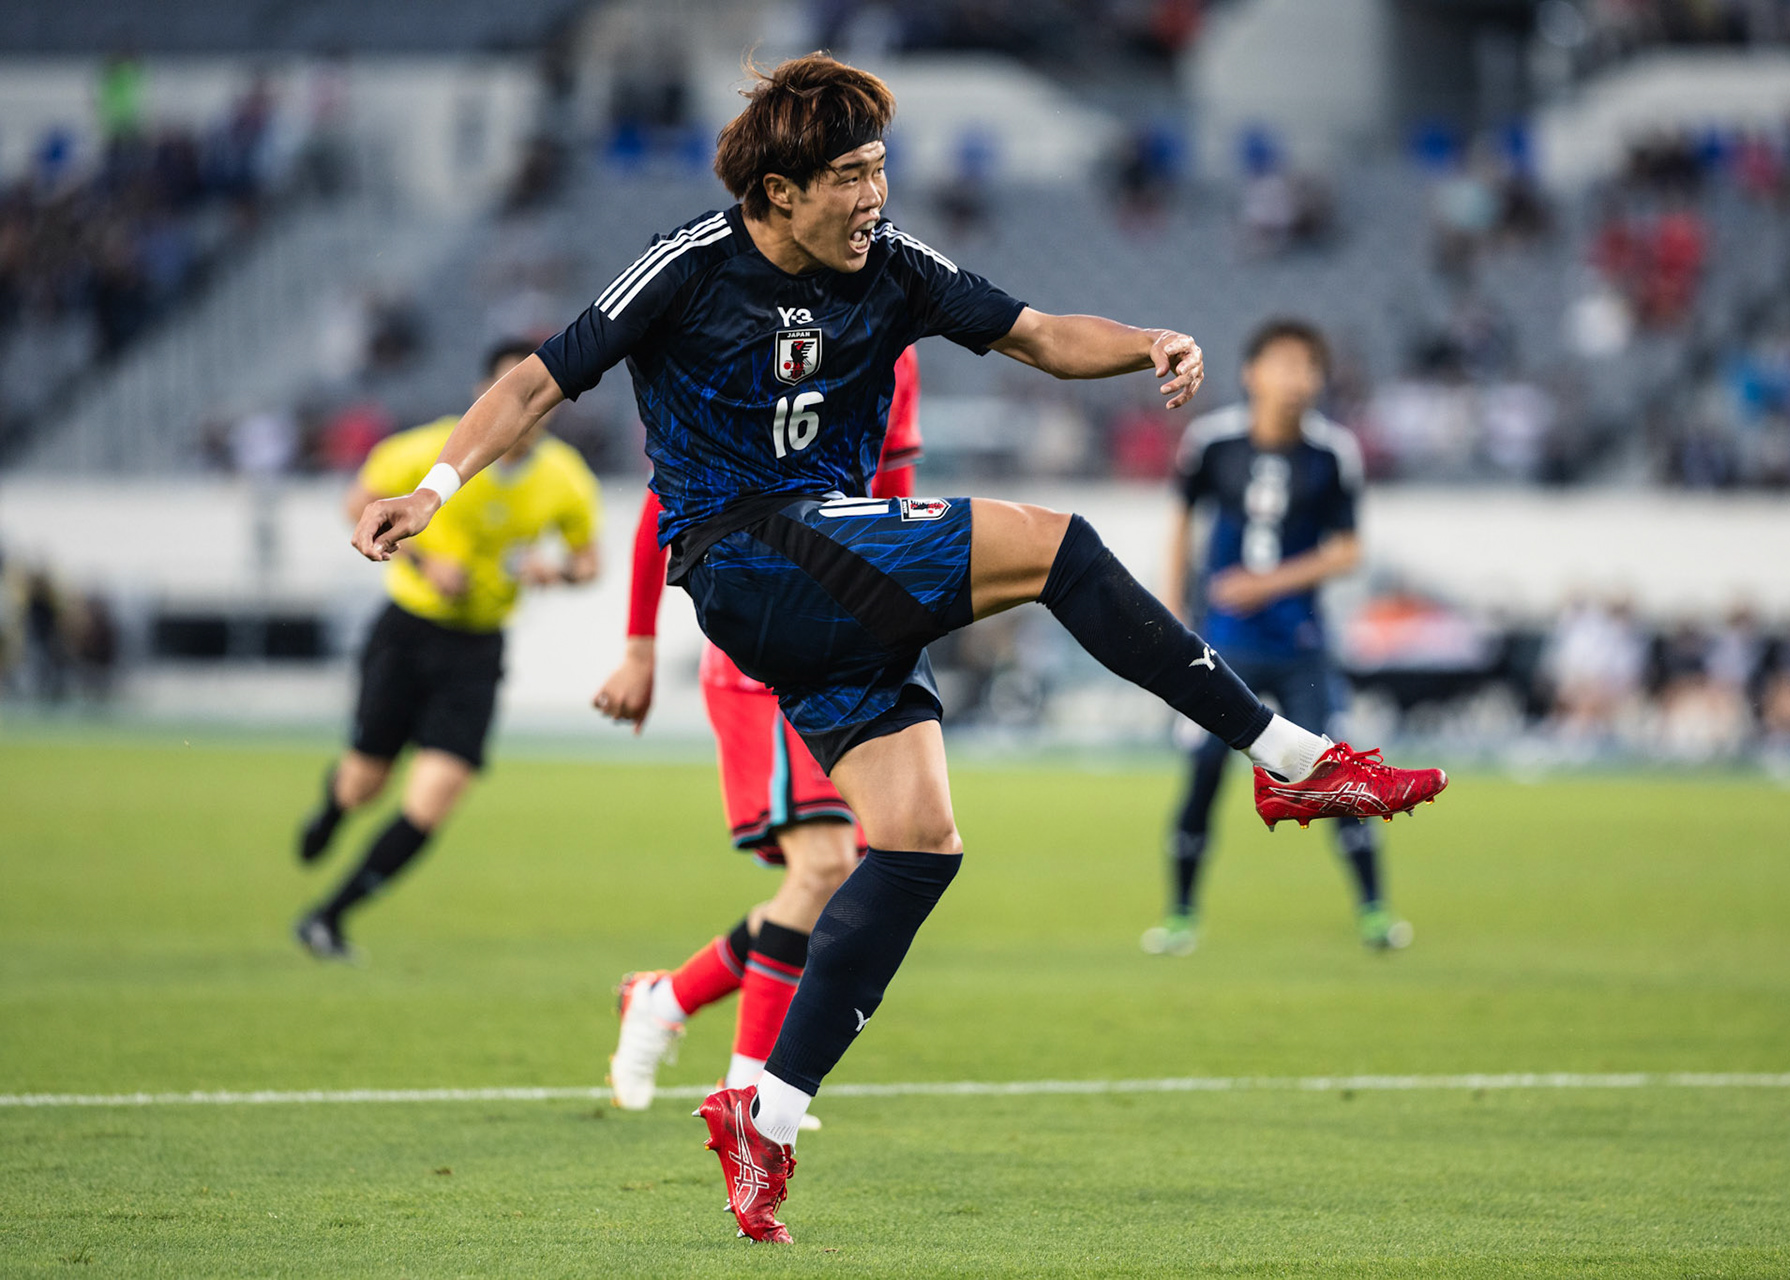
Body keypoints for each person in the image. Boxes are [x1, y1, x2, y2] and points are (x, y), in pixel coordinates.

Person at [346, 55, 1445, 1242]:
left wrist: (1148, 342)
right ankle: (1291, 754)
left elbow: (1037, 335)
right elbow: (535, 382)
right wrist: (438, 484)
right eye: (852, 174)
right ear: (776, 190)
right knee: (1061, 546)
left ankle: (764, 1111)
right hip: (748, 557)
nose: (876, 193)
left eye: (881, 167)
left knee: (918, 844)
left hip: (833, 581)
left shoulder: (897, 268)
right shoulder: (688, 265)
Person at [593, 345, 922, 1114]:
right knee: (823, 866)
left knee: (847, 874)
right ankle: (750, 1094)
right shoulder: (753, 326)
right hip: (763, 635)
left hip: (850, 639)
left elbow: (894, 492)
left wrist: (902, 619)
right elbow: (667, 495)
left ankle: (668, 998)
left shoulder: (897, 341)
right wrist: (639, 645)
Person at [294, 340, 601, 960]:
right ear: (482, 395)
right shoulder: (429, 448)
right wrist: (427, 561)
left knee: (434, 799)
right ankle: (334, 806)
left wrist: (557, 573)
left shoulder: (564, 477)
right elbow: (358, 502)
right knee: (364, 785)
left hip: (478, 649)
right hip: (408, 631)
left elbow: (590, 563)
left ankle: (328, 916)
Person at [1143, 320, 1409, 959]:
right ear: (1251, 373)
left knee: (1333, 770)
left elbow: (1347, 550)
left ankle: (1375, 913)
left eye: (1307, 366)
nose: (1296, 378)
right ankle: (1180, 917)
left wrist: (1267, 583)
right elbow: (1182, 527)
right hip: (1222, 646)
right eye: (1283, 363)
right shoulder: (1212, 444)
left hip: (1301, 645)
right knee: (1204, 770)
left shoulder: (1331, 453)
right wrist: (1174, 622)